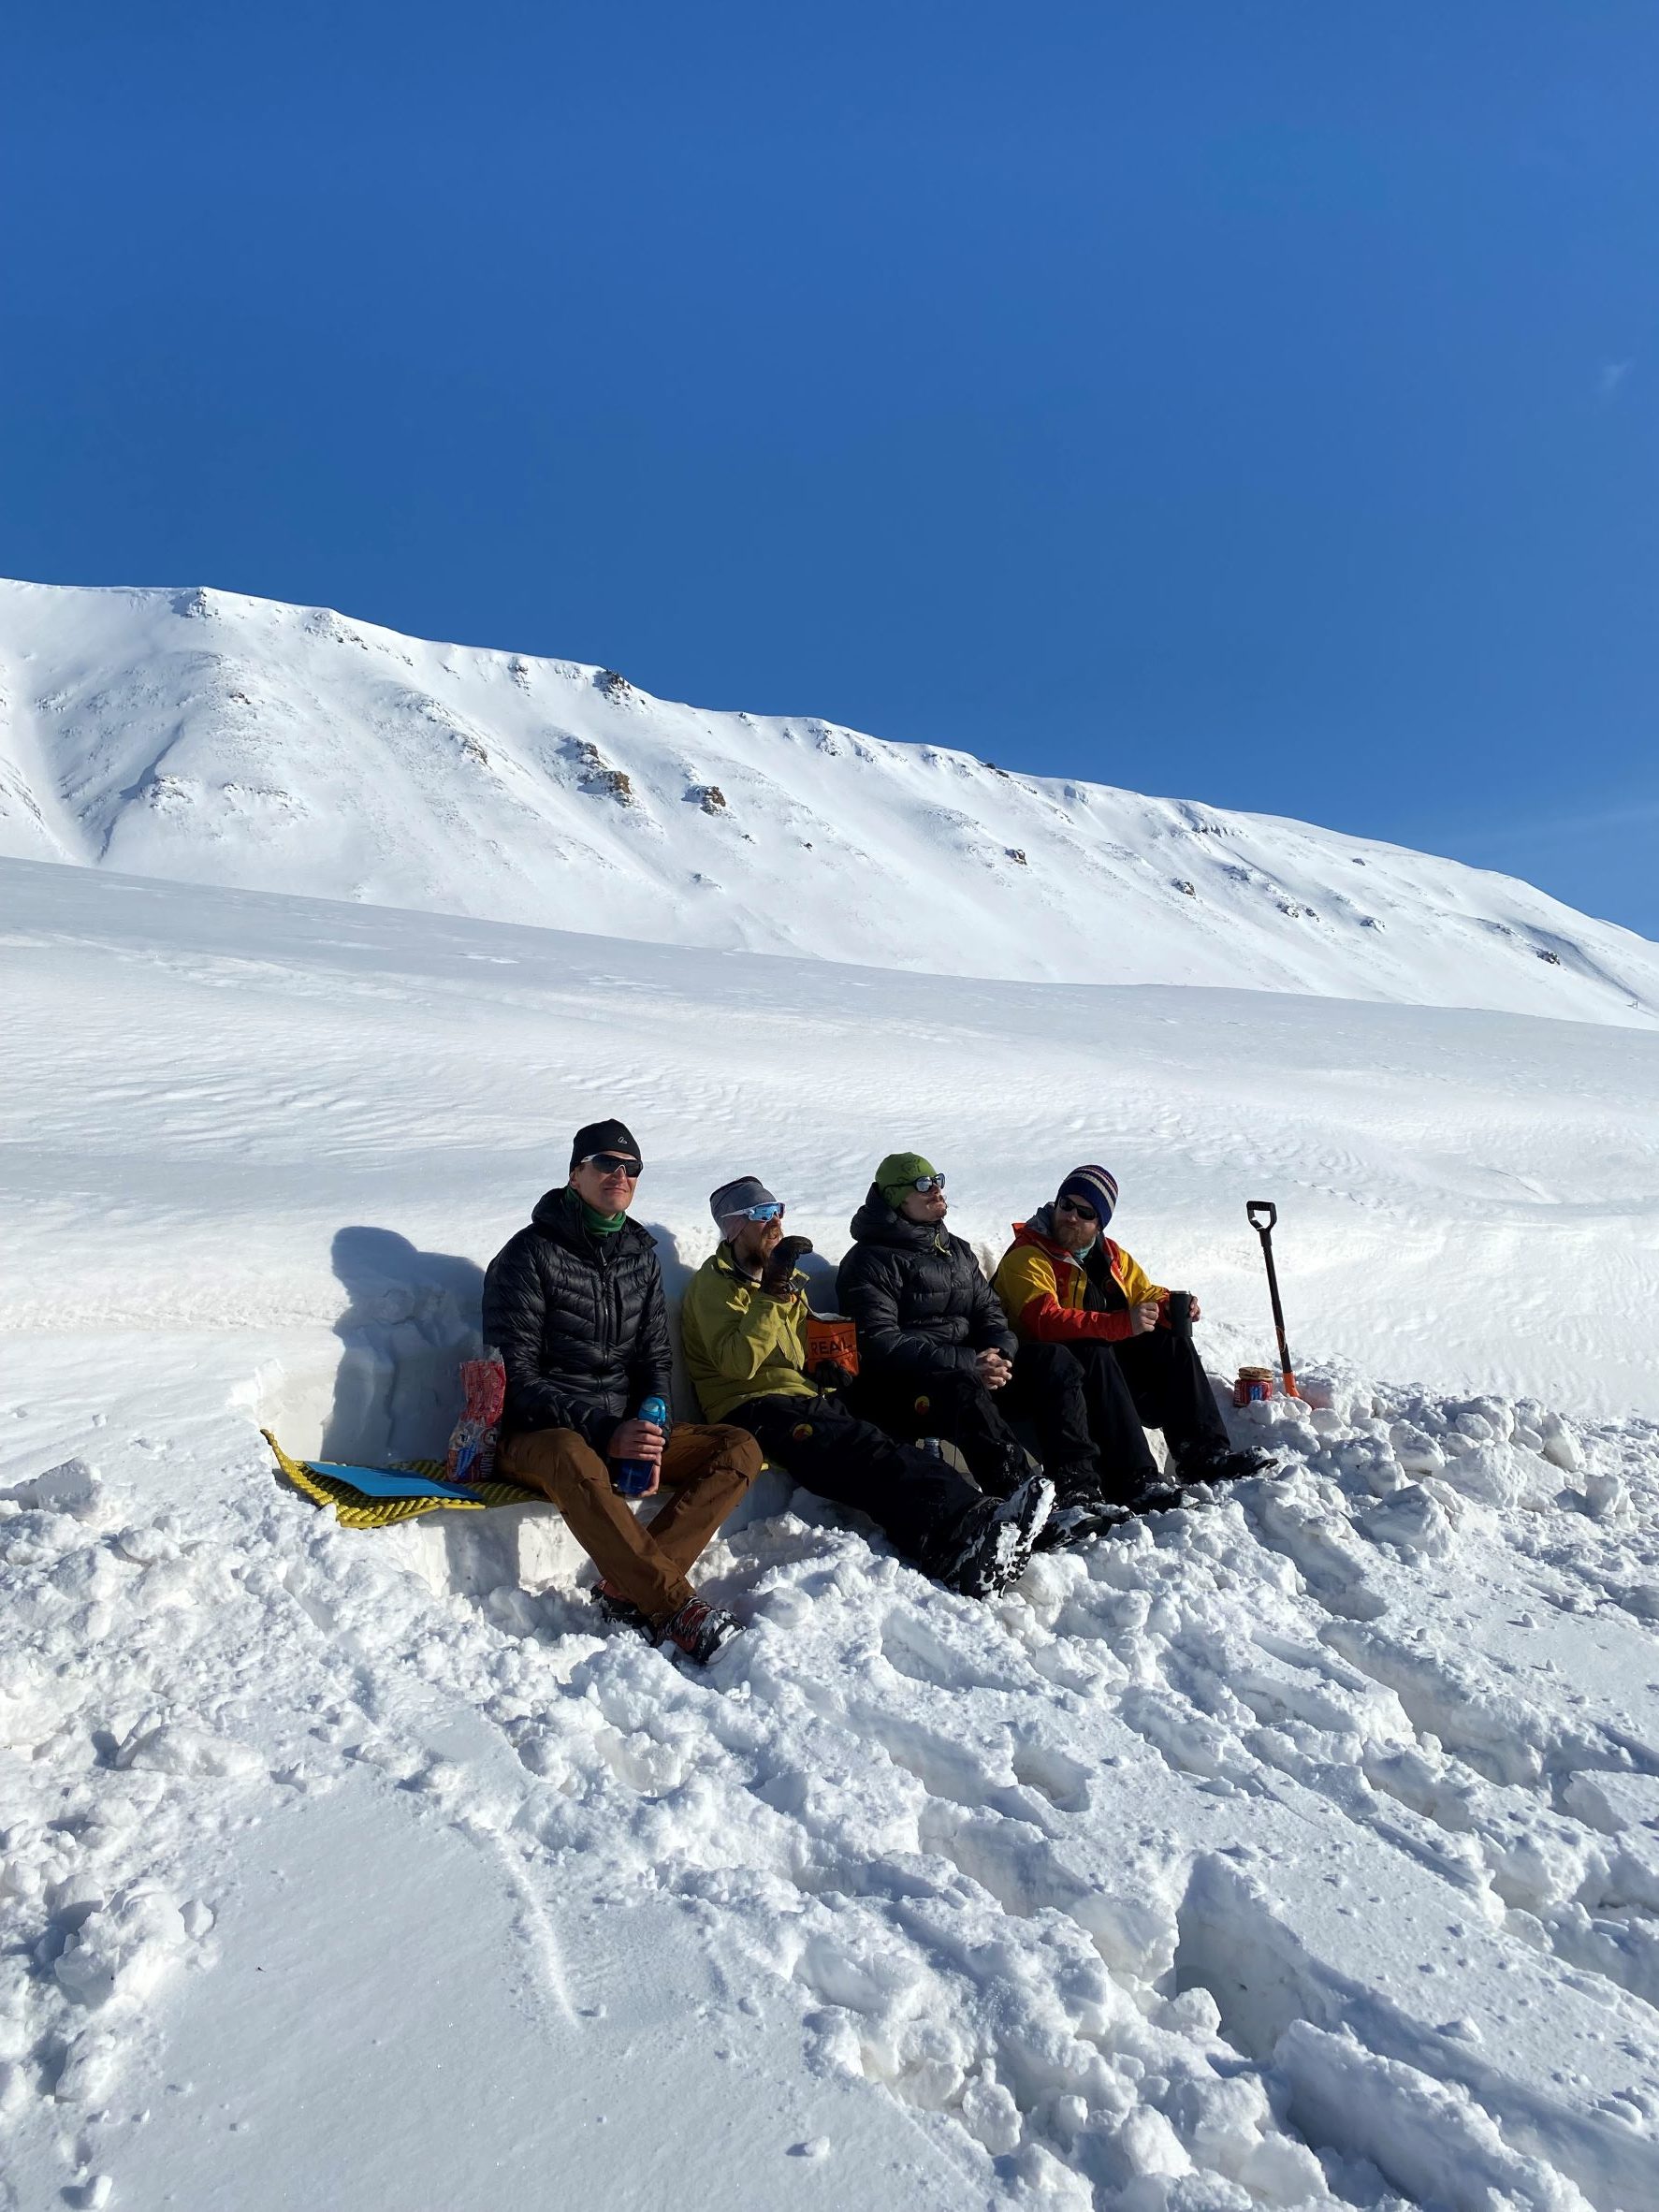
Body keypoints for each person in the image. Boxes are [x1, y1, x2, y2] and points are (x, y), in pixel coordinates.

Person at [680, 1176, 1054, 1598]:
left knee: (940, 1392)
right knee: (866, 1450)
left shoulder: (783, 1280)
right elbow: (739, 1364)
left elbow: (802, 1346)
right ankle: (958, 1536)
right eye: (762, 1214)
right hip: (754, 1407)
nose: (776, 1222)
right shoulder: (713, 1287)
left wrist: (829, 1367)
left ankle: (1013, 1495)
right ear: (733, 1227)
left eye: (778, 1210)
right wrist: (772, 1294)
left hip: (809, 1397)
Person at [481, 1119, 762, 1663]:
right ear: (575, 1175)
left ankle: (625, 1589)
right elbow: (516, 1378)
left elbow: (654, 1359)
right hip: (537, 1435)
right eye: (607, 1164)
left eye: (632, 1169)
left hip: (617, 1431)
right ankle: (673, 1606)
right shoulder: (527, 1255)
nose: (621, 1176)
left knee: (737, 1448)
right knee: (571, 1451)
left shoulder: (639, 1257)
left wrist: (652, 1425)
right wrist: (608, 1430)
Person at [835, 1152, 1122, 1544]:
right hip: (910, 1386)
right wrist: (969, 1363)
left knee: (1054, 1360)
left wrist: (998, 1354)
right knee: (963, 1387)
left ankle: (1079, 1489)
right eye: (922, 1185)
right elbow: (881, 1343)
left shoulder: (956, 1250)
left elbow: (991, 1312)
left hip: (974, 1368)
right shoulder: (869, 1261)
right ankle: (1021, 1502)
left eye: (937, 1180)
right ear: (895, 1198)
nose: (936, 1190)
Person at [991, 1164, 1271, 1498]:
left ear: (1099, 1223)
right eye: (1066, 1205)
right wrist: (1121, 1324)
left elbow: (1144, 1294)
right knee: (1093, 1348)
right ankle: (1133, 1479)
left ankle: (1203, 1454)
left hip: (1095, 1374)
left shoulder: (1110, 1256)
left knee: (1169, 1338)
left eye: (1085, 1212)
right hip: (1033, 1377)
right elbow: (1044, 1322)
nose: (1071, 1217)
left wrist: (1168, 1308)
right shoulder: (1027, 1255)